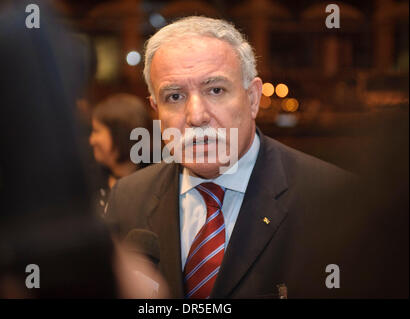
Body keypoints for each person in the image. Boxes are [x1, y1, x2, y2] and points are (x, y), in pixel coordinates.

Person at [107, 16, 357, 298]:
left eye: (215, 90)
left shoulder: (336, 199)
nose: (196, 116)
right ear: (156, 110)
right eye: (174, 97)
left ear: (252, 98)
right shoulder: (127, 199)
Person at [89, 94, 151, 216]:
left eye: (97, 131)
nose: (91, 140)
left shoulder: (157, 183)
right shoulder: (91, 180)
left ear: (120, 134)